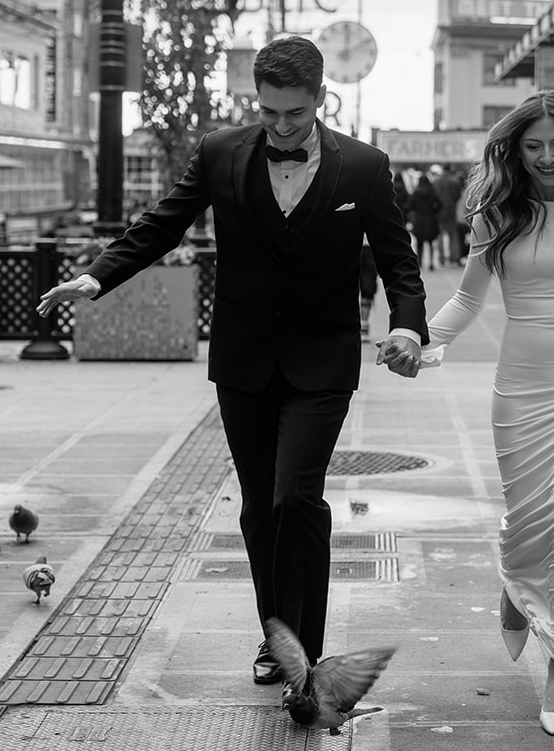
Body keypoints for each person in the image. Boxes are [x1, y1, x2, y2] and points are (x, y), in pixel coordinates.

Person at [38, 36, 426, 683]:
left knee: (294, 499)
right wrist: (98, 277)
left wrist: (408, 330)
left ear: (320, 100)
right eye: (268, 112)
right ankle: (274, 638)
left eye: (294, 115)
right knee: (256, 507)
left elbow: (397, 261)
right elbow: (163, 222)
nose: (279, 127)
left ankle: (305, 650)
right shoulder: (220, 152)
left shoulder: (362, 166)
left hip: (322, 361)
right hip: (243, 359)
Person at [423, 90, 554, 735]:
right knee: (528, 516)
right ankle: (518, 582)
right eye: (533, 146)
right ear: (514, 150)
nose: (547, 158)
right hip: (520, 386)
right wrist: (420, 340)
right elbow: (466, 301)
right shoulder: (497, 215)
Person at [407, 170, 442, 270]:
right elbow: (440, 205)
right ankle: (431, 263)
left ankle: (420, 263)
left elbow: (410, 206)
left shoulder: (416, 193)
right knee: (431, 243)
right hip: (431, 220)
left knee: (419, 243)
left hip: (419, 221)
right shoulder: (432, 192)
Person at [433, 164, 463, 267]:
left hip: (439, 211)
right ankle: (454, 258)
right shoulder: (453, 182)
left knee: (440, 235)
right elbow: (458, 195)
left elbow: (433, 196)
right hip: (451, 210)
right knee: (453, 236)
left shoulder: (436, 182)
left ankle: (441, 258)